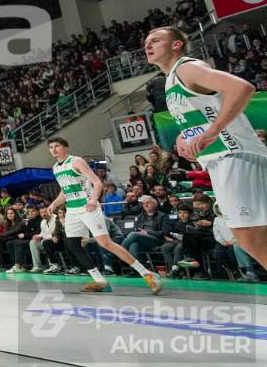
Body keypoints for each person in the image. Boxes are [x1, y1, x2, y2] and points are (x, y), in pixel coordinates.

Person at [147, 26, 267, 271]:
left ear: (176, 44)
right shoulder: (170, 80)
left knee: (247, 234)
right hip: (223, 159)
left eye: (156, 40)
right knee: (250, 234)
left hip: (233, 153)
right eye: (146, 42)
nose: (148, 45)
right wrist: (184, 134)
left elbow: (242, 88)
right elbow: (205, 111)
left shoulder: (187, 67)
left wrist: (212, 131)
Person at [45, 137, 162, 294]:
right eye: (51, 147)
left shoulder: (76, 161)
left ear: (66, 148)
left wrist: (94, 199)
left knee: (106, 243)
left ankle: (148, 274)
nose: (53, 149)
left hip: (87, 206)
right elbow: (64, 191)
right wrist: (54, 203)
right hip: (72, 209)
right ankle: (100, 281)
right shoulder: (55, 168)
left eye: (57, 146)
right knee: (72, 244)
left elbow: (97, 182)